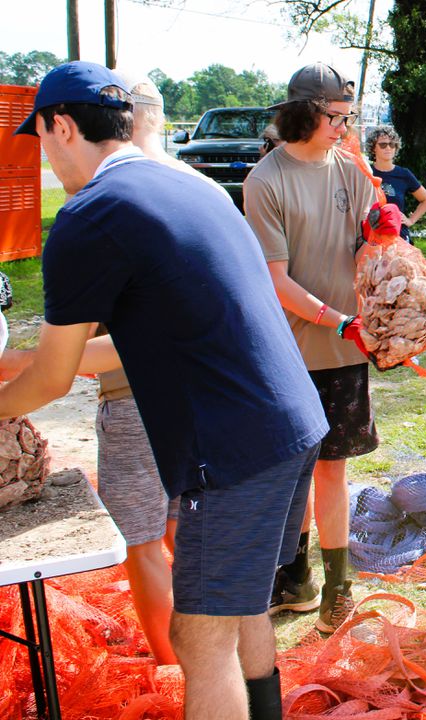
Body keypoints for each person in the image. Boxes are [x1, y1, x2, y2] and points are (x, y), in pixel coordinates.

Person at [6, 61, 328, 720]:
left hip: (234, 448)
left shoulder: (88, 214)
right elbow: (152, 333)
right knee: (239, 606)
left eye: (37, 137)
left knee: (199, 638)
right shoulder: (193, 186)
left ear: (61, 126)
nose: (41, 155)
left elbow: (53, 376)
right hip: (294, 422)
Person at [242, 62, 378, 636]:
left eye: (349, 117)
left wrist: (385, 225)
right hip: (289, 353)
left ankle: (339, 587)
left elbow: (371, 235)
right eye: (335, 117)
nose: (344, 128)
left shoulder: (347, 166)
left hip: (346, 353)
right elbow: (275, 282)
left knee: (331, 473)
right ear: (302, 112)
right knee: (292, 475)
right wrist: (339, 320)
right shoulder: (264, 180)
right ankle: (295, 579)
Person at [368, 126, 426, 241]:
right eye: (383, 145)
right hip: (370, 236)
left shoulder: (404, 174)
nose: (388, 148)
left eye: (392, 144)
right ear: (373, 148)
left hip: (399, 237)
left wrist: (411, 220)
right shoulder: (366, 172)